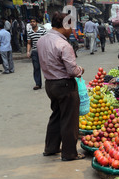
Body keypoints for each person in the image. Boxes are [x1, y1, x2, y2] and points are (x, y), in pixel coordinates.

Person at [36, 11, 85, 161]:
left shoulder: (41, 40)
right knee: (69, 119)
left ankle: (50, 148)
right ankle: (69, 153)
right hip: (65, 85)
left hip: (50, 84)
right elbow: (72, 70)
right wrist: (80, 70)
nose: (72, 30)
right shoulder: (64, 44)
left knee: (56, 116)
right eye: (71, 27)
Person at [27, 17, 47, 90]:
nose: (32, 23)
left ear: (37, 23)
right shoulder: (29, 32)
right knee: (36, 67)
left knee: (46, 67)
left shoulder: (42, 31)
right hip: (35, 51)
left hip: (43, 51)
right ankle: (38, 84)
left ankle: (49, 81)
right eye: (31, 22)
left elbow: (46, 41)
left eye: (33, 21)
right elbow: (29, 43)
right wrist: (28, 51)